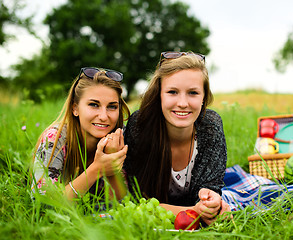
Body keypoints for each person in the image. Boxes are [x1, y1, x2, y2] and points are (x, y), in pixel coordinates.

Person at [123, 51, 230, 225]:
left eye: (193, 93)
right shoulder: (139, 126)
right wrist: (193, 211)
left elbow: (211, 187)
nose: (182, 103)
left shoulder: (211, 126)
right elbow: (137, 201)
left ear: (204, 97)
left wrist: (209, 202)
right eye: (172, 92)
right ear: (159, 96)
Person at [31, 67, 130, 201]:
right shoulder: (55, 139)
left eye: (112, 106)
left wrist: (112, 160)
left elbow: (123, 203)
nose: (103, 116)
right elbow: (41, 202)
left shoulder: (121, 138)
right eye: (94, 105)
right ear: (75, 108)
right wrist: (97, 169)